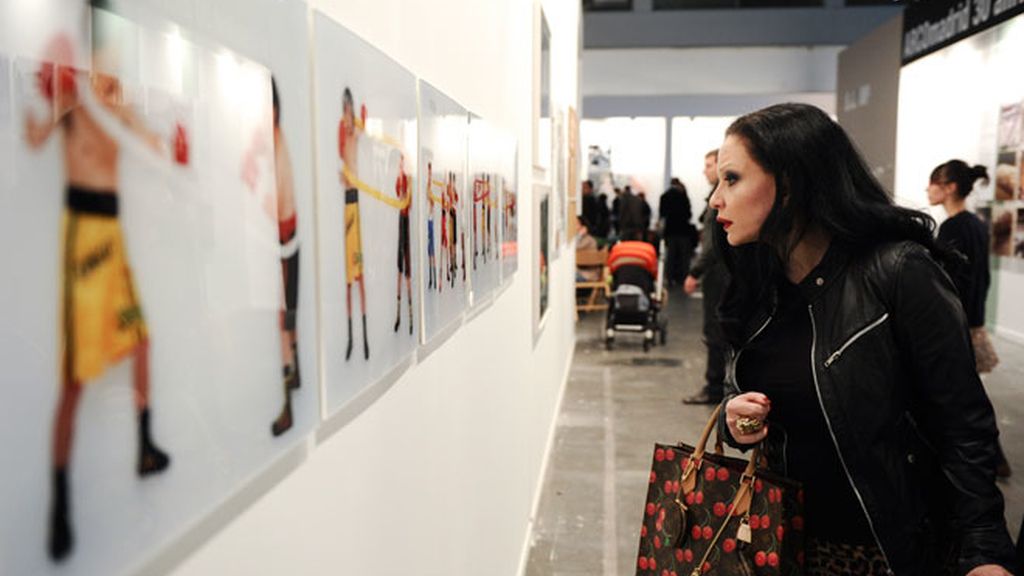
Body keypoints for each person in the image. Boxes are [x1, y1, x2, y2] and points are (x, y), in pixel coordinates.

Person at [713, 103, 1015, 575]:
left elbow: (962, 422)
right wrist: (738, 421)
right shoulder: (759, 287)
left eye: (731, 179)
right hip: (781, 545)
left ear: (789, 185)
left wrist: (985, 550)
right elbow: (751, 397)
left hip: (883, 551)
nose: (715, 199)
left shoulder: (898, 272)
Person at [25, 37, 173, 561]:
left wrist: (169, 144)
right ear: (89, 68)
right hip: (83, 240)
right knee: (75, 376)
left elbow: (147, 140)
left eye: (115, 74)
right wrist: (37, 114)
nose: (111, 82)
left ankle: (144, 446)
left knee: (142, 341)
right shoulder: (74, 101)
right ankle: (60, 501)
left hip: (114, 238)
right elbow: (39, 135)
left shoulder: (117, 107)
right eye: (104, 72)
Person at [927, 159, 1009, 477]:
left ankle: (990, 458)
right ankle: (995, 457)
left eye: (933, 182)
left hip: (958, 324)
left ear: (948, 188)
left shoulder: (952, 228)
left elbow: (950, 285)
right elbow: (981, 279)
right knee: (970, 392)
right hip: (972, 320)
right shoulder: (976, 224)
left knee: (963, 396)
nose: (927, 188)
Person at [270, 78, 303, 437]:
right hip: (285, 240)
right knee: (288, 322)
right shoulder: (274, 143)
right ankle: (295, 387)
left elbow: (275, 204)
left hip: (284, 242)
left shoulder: (276, 147)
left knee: (284, 325)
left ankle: (288, 406)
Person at [682, 151, 728, 405]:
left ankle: (714, 387)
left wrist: (694, 272)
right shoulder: (720, 198)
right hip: (724, 274)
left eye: (708, 165)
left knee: (715, 331)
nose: (705, 170)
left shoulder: (717, 200)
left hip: (718, 276)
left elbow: (712, 246)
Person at [339, 87, 369, 361]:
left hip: (354, 206)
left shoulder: (354, 137)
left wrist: (361, 118)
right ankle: (351, 336)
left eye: (347, 111)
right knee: (349, 278)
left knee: (358, 276)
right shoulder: (344, 139)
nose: (345, 118)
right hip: (347, 205)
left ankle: (364, 333)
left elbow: (363, 127)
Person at [658, 177, 696, 286]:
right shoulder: (683, 195)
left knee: (670, 256)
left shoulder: (664, 196)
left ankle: (670, 278)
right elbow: (689, 214)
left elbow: (662, 214)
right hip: (683, 230)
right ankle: (683, 278)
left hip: (670, 230)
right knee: (684, 256)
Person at [393, 155, 413, 334]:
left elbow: (407, 201)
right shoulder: (399, 180)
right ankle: (399, 313)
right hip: (401, 221)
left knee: (407, 270)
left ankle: (411, 313)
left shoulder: (407, 180)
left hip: (405, 222)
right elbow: (398, 196)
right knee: (399, 269)